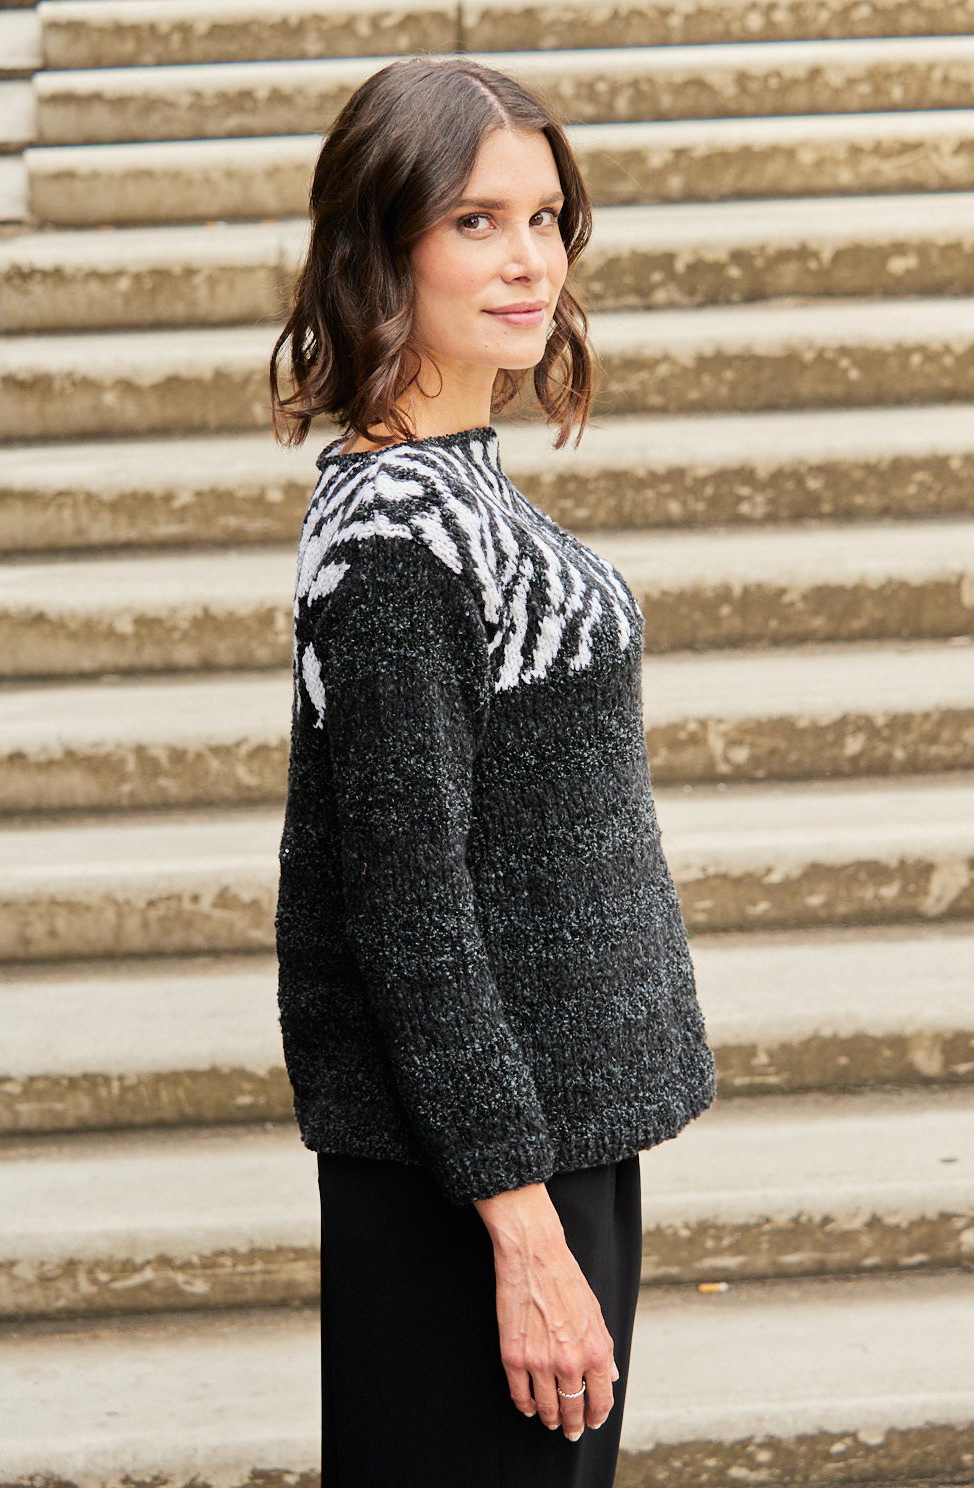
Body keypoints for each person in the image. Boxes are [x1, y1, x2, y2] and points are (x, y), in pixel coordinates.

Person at [268, 53, 717, 1488]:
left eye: (544, 218)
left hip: (534, 1134)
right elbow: (407, 909)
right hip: (478, 1171)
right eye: (475, 221)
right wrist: (520, 1227)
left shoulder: (455, 488)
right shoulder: (399, 536)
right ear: (380, 247)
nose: (530, 260)